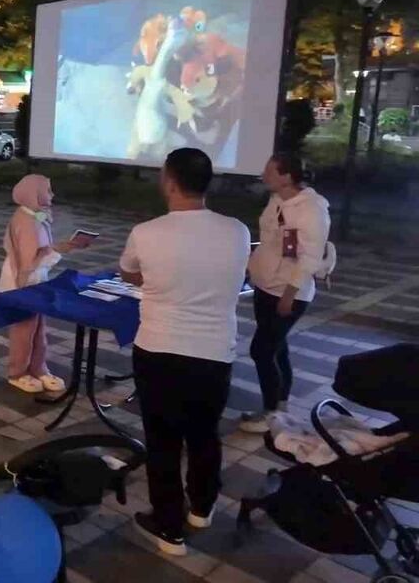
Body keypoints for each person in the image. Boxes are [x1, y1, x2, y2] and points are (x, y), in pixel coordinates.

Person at [118, 148, 250, 556]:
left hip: (158, 349)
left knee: (163, 442)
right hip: (214, 352)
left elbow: (128, 272)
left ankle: (169, 528)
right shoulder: (237, 231)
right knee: (204, 434)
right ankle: (202, 508)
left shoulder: (146, 232)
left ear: (170, 182)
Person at [240, 152, 332, 434]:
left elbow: (310, 257)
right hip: (266, 285)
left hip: (288, 291)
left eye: (270, 171)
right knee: (277, 347)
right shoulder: (277, 199)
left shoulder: (312, 209)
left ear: (286, 176)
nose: (264, 175)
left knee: (261, 350)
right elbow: (272, 241)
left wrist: (290, 294)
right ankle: (280, 405)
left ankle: (270, 414)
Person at [0, 174, 89, 393]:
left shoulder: (35, 215)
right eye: (48, 190)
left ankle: (38, 368)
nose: (52, 194)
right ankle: (18, 373)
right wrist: (59, 249)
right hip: (22, 281)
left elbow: (40, 253)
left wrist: (60, 247)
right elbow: (30, 261)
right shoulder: (26, 221)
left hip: (35, 279)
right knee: (24, 329)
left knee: (38, 328)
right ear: (34, 193)